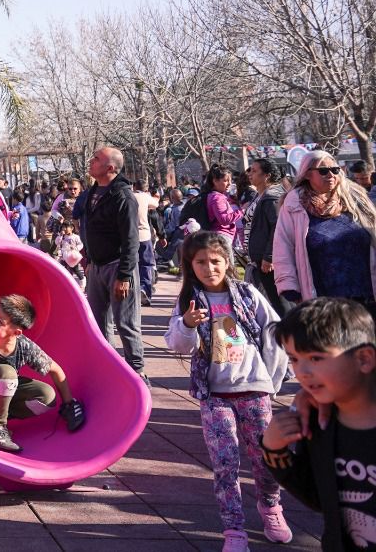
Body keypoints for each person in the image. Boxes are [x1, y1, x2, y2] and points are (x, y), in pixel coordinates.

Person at [163, 232, 291, 551]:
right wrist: (188, 325)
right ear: (191, 266)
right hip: (215, 394)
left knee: (265, 459)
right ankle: (233, 528)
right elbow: (177, 344)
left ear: (227, 262)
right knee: (225, 462)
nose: (210, 268)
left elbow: (274, 332)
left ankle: (271, 506)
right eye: (201, 262)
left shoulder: (246, 294)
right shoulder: (188, 301)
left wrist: (271, 382)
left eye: (216, 261)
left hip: (254, 390)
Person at [262, 298, 376, 551]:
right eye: (294, 358)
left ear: (364, 359)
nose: (302, 371)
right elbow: (318, 497)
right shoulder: (318, 421)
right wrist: (273, 452)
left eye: (315, 358)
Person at [0, 294, 85, 452]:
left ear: (16, 333)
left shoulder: (24, 346)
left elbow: (56, 370)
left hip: (1, 388)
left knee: (47, 397)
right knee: (6, 372)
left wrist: (69, 403)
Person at [272, 149, 376, 310]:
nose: (331, 175)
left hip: (365, 295)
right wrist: (289, 286)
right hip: (323, 300)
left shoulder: (356, 199)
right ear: (307, 174)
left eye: (335, 170)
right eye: (323, 171)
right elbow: (282, 246)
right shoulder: (294, 205)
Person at [80, 145, 146, 379]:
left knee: (126, 325)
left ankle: (138, 374)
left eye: (96, 159)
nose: (91, 161)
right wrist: (88, 258)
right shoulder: (94, 190)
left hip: (117, 268)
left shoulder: (123, 196)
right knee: (100, 324)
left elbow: (131, 239)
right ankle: (109, 370)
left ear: (109, 167)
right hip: (96, 267)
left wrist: (124, 275)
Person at [245, 160, 286, 314]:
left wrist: (269, 256)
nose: (250, 173)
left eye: (254, 171)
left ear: (267, 176)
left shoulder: (272, 197)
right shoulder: (260, 194)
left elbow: (277, 228)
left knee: (278, 301)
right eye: (250, 170)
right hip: (259, 259)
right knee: (268, 300)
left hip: (268, 261)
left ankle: (289, 333)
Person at [134, 180, 160, 304]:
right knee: (147, 264)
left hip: (130, 237)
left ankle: (133, 291)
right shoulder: (145, 197)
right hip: (144, 235)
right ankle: (145, 289)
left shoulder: (128, 196)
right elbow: (155, 204)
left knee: (133, 264)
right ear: (146, 189)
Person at [56, 220, 86, 287]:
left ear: (72, 228)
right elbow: (57, 242)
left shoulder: (76, 237)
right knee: (63, 270)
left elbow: (81, 244)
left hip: (73, 256)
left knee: (76, 269)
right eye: (63, 227)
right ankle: (67, 283)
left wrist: (76, 248)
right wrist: (60, 235)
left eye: (66, 227)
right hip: (64, 256)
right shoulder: (62, 237)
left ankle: (82, 280)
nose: (65, 229)